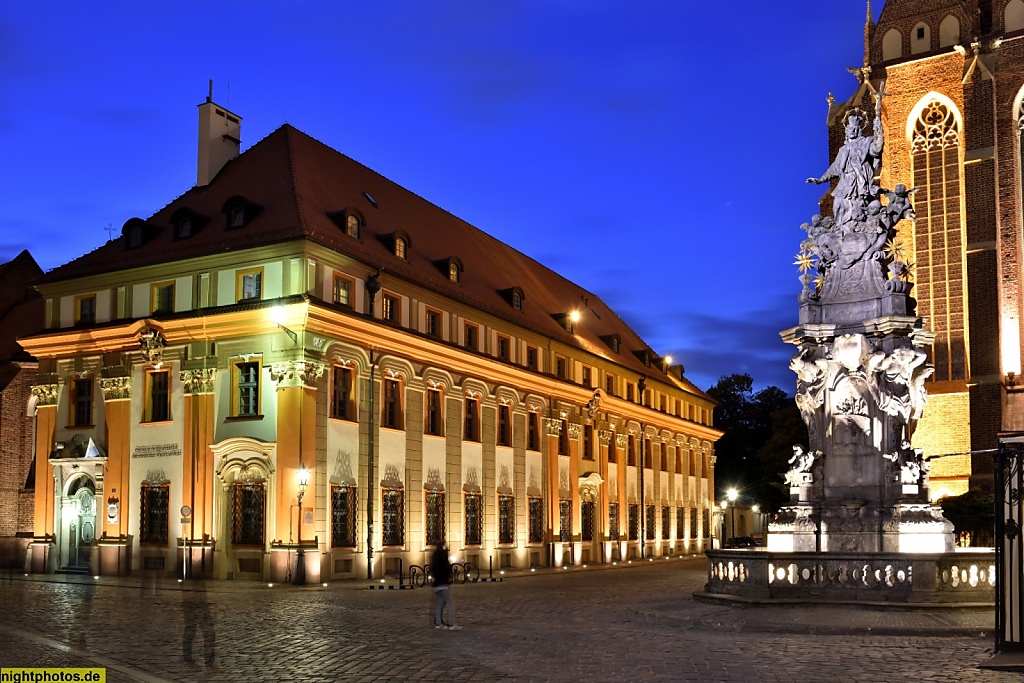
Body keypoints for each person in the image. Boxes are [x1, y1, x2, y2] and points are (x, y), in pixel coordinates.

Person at [430, 545, 461, 631]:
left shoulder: (434, 562)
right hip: (444, 585)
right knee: (451, 604)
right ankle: (451, 624)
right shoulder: (444, 563)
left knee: (439, 605)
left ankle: (438, 624)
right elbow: (448, 572)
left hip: (436, 585)